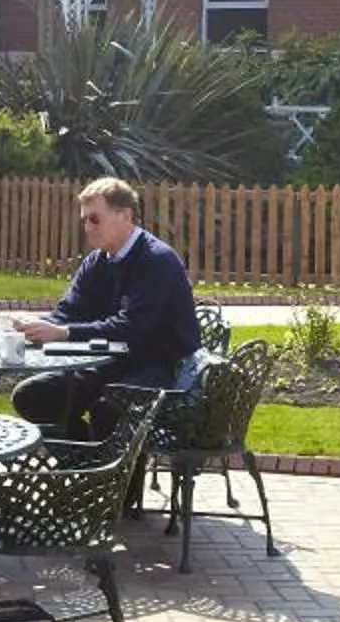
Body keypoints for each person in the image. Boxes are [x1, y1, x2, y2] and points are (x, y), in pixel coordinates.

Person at [11, 177, 200, 438]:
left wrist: (64, 332)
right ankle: (86, 462)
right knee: (31, 396)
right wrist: (35, 325)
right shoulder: (96, 262)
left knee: (108, 410)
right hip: (110, 363)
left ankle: (112, 474)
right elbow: (69, 311)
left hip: (160, 366)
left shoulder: (156, 260)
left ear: (124, 216)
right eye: (85, 220)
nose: (87, 227)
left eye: (94, 219)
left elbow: (131, 328)